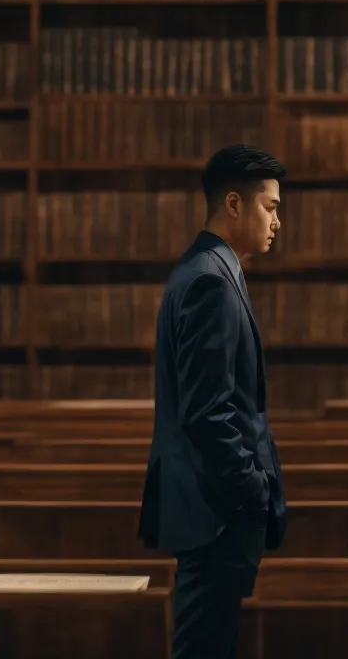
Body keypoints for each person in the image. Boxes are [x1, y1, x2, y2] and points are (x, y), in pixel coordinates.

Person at [138, 144, 287, 659]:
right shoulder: (210, 281)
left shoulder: (207, 269)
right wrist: (251, 490)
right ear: (233, 203)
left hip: (210, 509)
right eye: (269, 207)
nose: (277, 222)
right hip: (217, 514)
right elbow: (209, 412)